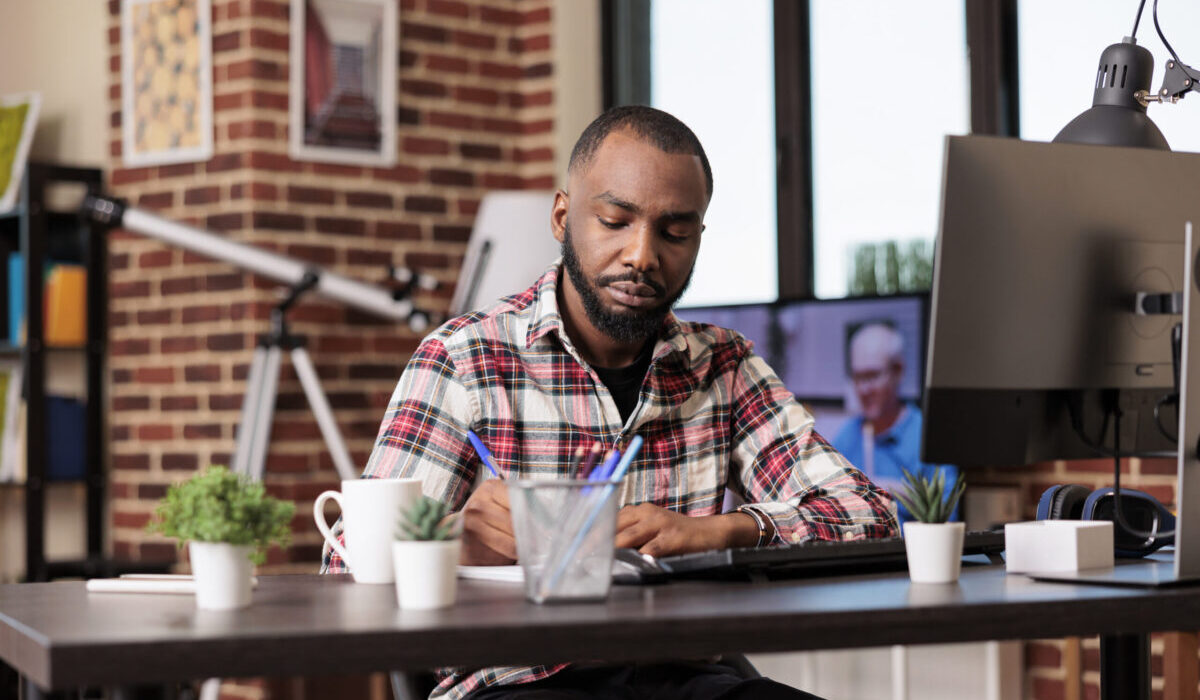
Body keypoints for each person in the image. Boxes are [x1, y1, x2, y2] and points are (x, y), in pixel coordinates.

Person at [324, 105, 897, 700]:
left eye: (674, 233)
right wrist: (448, 538)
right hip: (517, 683)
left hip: (686, 676)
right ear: (563, 216)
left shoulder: (723, 367)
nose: (643, 255)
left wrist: (722, 532)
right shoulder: (465, 359)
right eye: (615, 220)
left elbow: (870, 516)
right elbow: (343, 576)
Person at [831, 322, 959, 521]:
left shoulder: (929, 438)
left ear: (898, 371)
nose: (863, 390)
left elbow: (946, 520)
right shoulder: (846, 439)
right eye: (857, 377)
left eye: (872, 376)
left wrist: (886, 490)